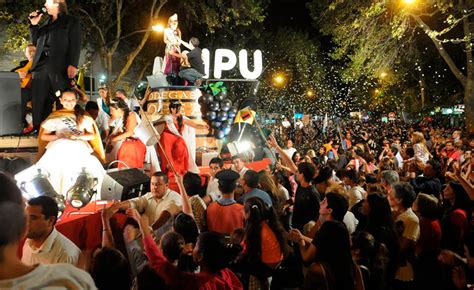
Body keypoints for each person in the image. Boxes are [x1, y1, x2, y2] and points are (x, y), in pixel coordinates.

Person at [0, 172, 96, 289]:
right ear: (21, 227)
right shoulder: (70, 281)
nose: (29, 222)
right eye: (26, 216)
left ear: (50, 220)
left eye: (33, 218)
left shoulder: (67, 256)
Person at [130, 208, 243, 290]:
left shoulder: (196, 283)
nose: (192, 248)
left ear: (200, 256)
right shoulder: (226, 273)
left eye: (197, 245)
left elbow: (157, 261)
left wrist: (140, 222)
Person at [36, 89, 105, 197]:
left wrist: (80, 136)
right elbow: (44, 136)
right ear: (61, 101)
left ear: (77, 100)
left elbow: (92, 135)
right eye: (66, 100)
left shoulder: (84, 116)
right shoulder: (55, 116)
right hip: (58, 149)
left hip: (79, 150)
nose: (69, 102)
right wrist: (58, 136)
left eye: (72, 100)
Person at [28, 0, 82, 131]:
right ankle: (40, 129)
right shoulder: (46, 24)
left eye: (47, 1)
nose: (45, 4)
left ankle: (65, 128)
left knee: (61, 97)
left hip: (60, 65)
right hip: (41, 65)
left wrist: (73, 64)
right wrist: (34, 25)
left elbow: (76, 43)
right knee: (39, 99)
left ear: (57, 3)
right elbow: (35, 42)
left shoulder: (71, 21)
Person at [22, 196, 82, 266]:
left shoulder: (66, 255)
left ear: (50, 220)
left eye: (33, 218)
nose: (26, 222)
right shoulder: (28, 241)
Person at [155, 100, 208, 175]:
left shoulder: (182, 119)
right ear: (171, 109)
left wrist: (203, 126)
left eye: (177, 108)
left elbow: (195, 125)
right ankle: (169, 170)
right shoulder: (166, 118)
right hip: (166, 139)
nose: (175, 110)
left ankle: (180, 169)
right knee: (166, 143)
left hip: (178, 138)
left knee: (181, 147)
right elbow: (155, 124)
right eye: (173, 108)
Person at [116, 172, 182, 230]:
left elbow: (167, 214)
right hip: (148, 235)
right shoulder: (149, 195)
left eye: (158, 184)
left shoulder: (175, 197)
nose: (154, 187)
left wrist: (150, 230)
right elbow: (135, 202)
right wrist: (117, 206)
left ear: (167, 185)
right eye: (152, 184)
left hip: (164, 239)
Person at [107, 98, 146, 168]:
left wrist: (113, 139)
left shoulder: (132, 115)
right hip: (126, 145)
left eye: (112, 110)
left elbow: (130, 132)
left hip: (134, 146)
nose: (110, 113)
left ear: (118, 109)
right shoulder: (120, 119)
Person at [206, 169, 244, 235]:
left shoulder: (210, 208)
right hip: (235, 244)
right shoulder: (242, 210)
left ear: (219, 188)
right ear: (235, 188)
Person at [11, 44, 36, 134]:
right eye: (29, 51)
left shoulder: (43, 65)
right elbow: (10, 75)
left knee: (22, 93)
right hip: (24, 92)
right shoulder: (22, 65)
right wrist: (17, 75)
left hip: (38, 91)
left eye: (34, 51)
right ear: (26, 54)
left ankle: (21, 123)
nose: (32, 53)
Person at [163, 13, 182, 83]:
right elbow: (165, 40)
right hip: (169, 49)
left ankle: (176, 80)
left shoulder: (178, 31)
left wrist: (177, 43)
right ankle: (167, 79)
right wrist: (171, 43)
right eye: (172, 22)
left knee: (177, 64)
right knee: (169, 63)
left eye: (175, 22)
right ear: (170, 22)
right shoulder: (166, 30)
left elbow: (180, 41)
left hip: (176, 49)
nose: (173, 23)